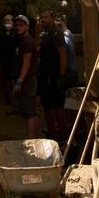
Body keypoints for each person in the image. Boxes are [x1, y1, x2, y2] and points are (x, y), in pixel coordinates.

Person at [37, 10, 70, 141]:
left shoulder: (56, 33)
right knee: (47, 107)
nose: (43, 20)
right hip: (45, 76)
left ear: (52, 18)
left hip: (55, 76)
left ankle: (64, 136)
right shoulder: (44, 33)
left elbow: (63, 55)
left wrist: (61, 76)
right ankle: (52, 134)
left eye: (46, 17)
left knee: (58, 107)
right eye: (42, 18)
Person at [12, 14, 40, 139]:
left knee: (30, 112)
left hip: (28, 81)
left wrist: (20, 81)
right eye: (17, 25)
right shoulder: (21, 41)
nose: (18, 27)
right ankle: (32, 137)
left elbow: (26, 62)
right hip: (26, 81)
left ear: (27, 26)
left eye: (21, 25)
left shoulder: (28, 41)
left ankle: (31, 139)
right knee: (27, 111)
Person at [0, 14, 17, 108]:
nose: (7, 22)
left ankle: (16, 103)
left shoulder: (17, 34)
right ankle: (10, 102)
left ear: (13, 22)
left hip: (15, 64)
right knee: (7, 83)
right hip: (5, 63)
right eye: (5, 21)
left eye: (9, 20)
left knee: (14, 83)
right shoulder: (1, 35)